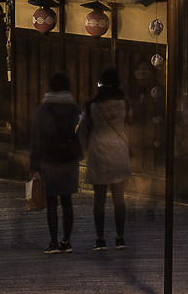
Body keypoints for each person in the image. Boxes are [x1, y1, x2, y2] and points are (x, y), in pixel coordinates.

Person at [28, 69, 81, 252]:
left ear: (50, 88)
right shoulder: (74, 108)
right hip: (68, 160)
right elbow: (79, 134)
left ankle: (53, 242)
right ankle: (67, 242)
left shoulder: (43, 110)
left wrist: (34, 163)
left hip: (48, 161)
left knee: (52, 203)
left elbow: (37, 138)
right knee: (67, 202)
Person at [81, 67, 131, 249]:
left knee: (99, 199)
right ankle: (120, 237)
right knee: (119, 198)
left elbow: (83, 128)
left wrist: (85, 147)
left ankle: (100, 238)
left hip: (98, 153)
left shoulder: (92, 106)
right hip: (118, 152)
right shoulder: (123, 103)